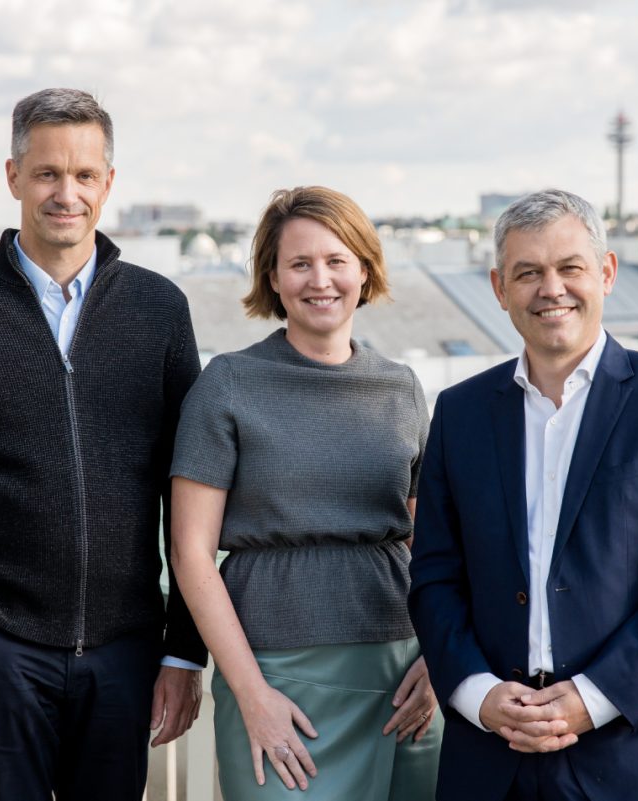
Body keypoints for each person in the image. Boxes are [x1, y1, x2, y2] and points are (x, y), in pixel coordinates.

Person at [0, 88, 206, 801]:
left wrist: (183, 646)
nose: (65, 193)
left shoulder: (160, 310)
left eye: (84, 175)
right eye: (47, 173)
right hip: (3, 652)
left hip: (126, 653)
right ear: (13, 176)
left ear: (108, 184)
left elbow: (192, 493)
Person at [408, 189, 638, 801]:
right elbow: (434, 576)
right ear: (499, 288)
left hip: (633, 752)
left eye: (570, 268)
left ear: (606, 273)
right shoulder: (459, 412)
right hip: (489, 753)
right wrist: (478, 695)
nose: (550, 288)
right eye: (527, 273)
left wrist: (592, 700)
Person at [170, 186, 441, 800]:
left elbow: (435, 549)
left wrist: (440, 660)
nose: (321, 280)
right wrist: (252, 695)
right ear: (274, 276)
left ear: (365, 270)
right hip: (274, 676)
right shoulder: (229, 385)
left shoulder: (400, 387)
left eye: (337, 260)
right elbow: (190, 555)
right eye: (300, 263)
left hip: (402, 675)